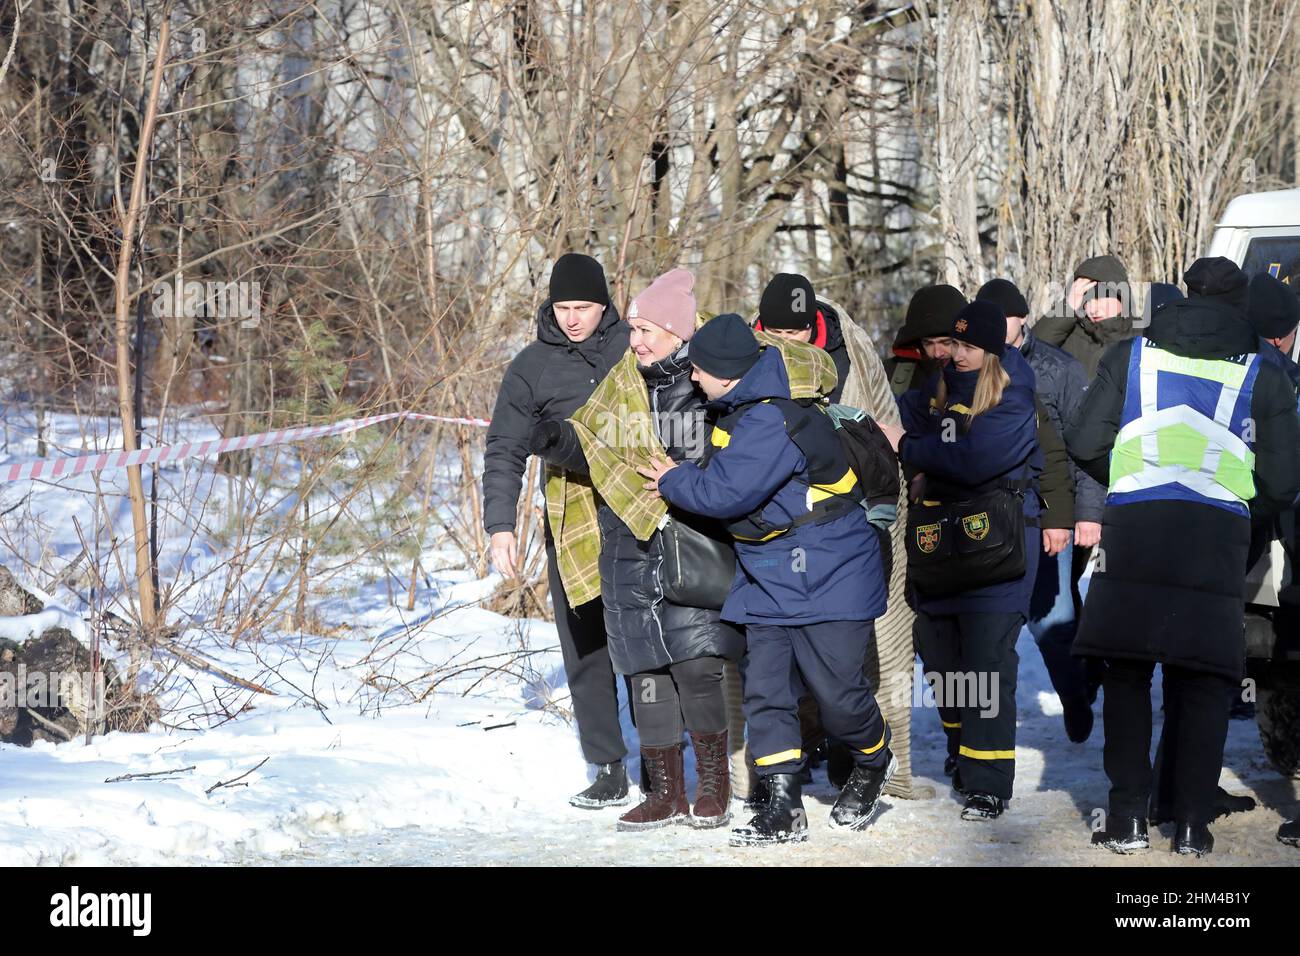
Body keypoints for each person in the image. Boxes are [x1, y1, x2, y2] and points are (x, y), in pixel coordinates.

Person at [1068, 257, 1300, 857]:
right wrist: (1241, 507)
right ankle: (1193, 824)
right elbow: (1280, 479)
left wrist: (1130, 480)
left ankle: (1126, 819)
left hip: (1137, 526)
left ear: (1186, 292)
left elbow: (1085, 441)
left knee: (1125, 671)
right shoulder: (1266, 368)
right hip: (1216, 534)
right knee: (1202, 680)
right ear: (1241, 302)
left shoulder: (1132, 356)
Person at [639, 313, 896, 845]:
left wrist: (671, 479)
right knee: (766, 692)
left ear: (728, 375)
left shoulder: (768, 419)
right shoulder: (739, 409)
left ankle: (873, 758)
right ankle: (782, 802)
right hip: (766, 575)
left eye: (699, 370)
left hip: (829, 571)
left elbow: (724, 494)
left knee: (838, 694)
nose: (691, 378)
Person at [530, 269, 743, 831]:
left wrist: (681, 474)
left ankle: (713, 787)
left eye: (649, 329)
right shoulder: (621, 384)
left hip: (688, 545)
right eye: (636, 328)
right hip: (625, 542)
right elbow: (599, 452)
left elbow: (724, 465)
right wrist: (556, 440)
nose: (638, 339)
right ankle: (665, 793)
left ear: (678, 332)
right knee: (646, 672)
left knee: (696, 667)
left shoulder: (706, 388)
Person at [751, 273, 926, 801]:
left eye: (797, 332)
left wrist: (882, 513)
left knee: (864, 644)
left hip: (854, 519)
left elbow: (881, 431)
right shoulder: (748, 353)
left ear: (814, 327)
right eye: (775, 330)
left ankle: (873, 760)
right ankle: (796, 754)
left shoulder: (850, 348)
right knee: (786, 646)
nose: (786, 342)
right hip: (778, 525)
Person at [481, 253, 632, 809]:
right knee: (585, 641)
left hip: (642, 509)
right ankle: (609, 766)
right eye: (563, 307)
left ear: (604, 305)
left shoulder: (631, 348)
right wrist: (500, 525)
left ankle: (668, 760)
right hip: (572, 520)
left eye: (584, 308)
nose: (573, 319)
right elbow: (504, 447)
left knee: (647, 637)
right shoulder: (531, 367)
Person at [887, 300, 1043, 821]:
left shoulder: (1016, 395)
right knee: (942, 660)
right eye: (952, 344)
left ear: (993, 350)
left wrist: (913, 448)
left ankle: (988, 783)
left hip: (996, 552)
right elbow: (894, 425)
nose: (954, 355)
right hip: (938, 547)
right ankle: (963, 754)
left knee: (987, 666)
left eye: (967, 346)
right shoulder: (932, 390)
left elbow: (975, 460)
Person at [977, 278, 1105, 742]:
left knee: (1052, 619)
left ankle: (1075, 696)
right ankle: (975, 738)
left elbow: (1086, 449)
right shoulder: (969, 367)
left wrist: (1086, 514)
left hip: (1051, 513)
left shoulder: (1059, 370)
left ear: (1022, 319)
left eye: (1004, 319)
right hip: (989, 518)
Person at [1033, 255, 1136, 379]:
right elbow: (1031, 352)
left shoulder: (1144, 336)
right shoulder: (1071, 336)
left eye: (1099, 298)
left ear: (1121, 297)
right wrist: (1068, 308)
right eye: (1086, 300)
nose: (1093, 309)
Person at [886, 284, 968, 397]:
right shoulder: (889, 374)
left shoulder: (991, 375)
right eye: (928, 343)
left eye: (946, 342)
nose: (937, 353)